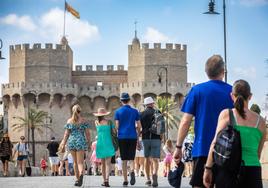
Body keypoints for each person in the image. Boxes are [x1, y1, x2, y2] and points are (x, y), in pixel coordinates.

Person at [173, 55, 234, 188]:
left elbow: (185, 121)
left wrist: (178, 147)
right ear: (223, 71)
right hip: (227, 151)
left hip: (202, 150)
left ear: (206, 72)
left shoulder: (197, 90)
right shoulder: (232, 92)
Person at [203, 80, 266, 188]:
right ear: (250, 96)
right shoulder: (261, 122)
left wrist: (208, 168)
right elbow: (258, 153)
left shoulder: (227, 114)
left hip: (229, 171)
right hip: (253, 172)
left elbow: (215, 143)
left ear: (232, 96)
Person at [59, 104, 91, 187]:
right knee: (80, 162)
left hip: (72, 141)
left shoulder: (69, 121)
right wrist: (89, 143)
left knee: (75, 162)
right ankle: (81, 174)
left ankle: (77, 179)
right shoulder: (83, 121)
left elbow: (66, 134)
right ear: (80, 111)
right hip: (80, 141)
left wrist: (63, 143)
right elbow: (87, 134)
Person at [114, 92, 142, 187]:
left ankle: (125, 180)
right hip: (132, 137)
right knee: (131, 158)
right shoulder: (135, 111)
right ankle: (133, 171)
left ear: (121, 101)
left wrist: (119, 130)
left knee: (124, 159)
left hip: (122, 137)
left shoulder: (118, 112)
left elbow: (117, 126)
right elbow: (139, 125)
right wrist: (137, 134)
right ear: (129, 100)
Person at [140, 97, 162, 187]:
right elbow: (161, 127)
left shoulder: (141, 114)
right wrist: (161, 138)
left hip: (145, 138)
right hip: (156, 138)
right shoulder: (158, 112)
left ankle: (148, 179)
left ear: (145, 105)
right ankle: (155, 174)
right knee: (155, 159)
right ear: (152, 104)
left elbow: (139, 126)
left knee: (147, 159)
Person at [93, 108, 116, 187]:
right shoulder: (109, 122)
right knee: (108, 164)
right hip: (108, 143)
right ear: (105, 114)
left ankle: (103, 180)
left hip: (100, 144)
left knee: (102, 164)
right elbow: (114, 131)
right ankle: (107, 180)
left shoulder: (96, 122)